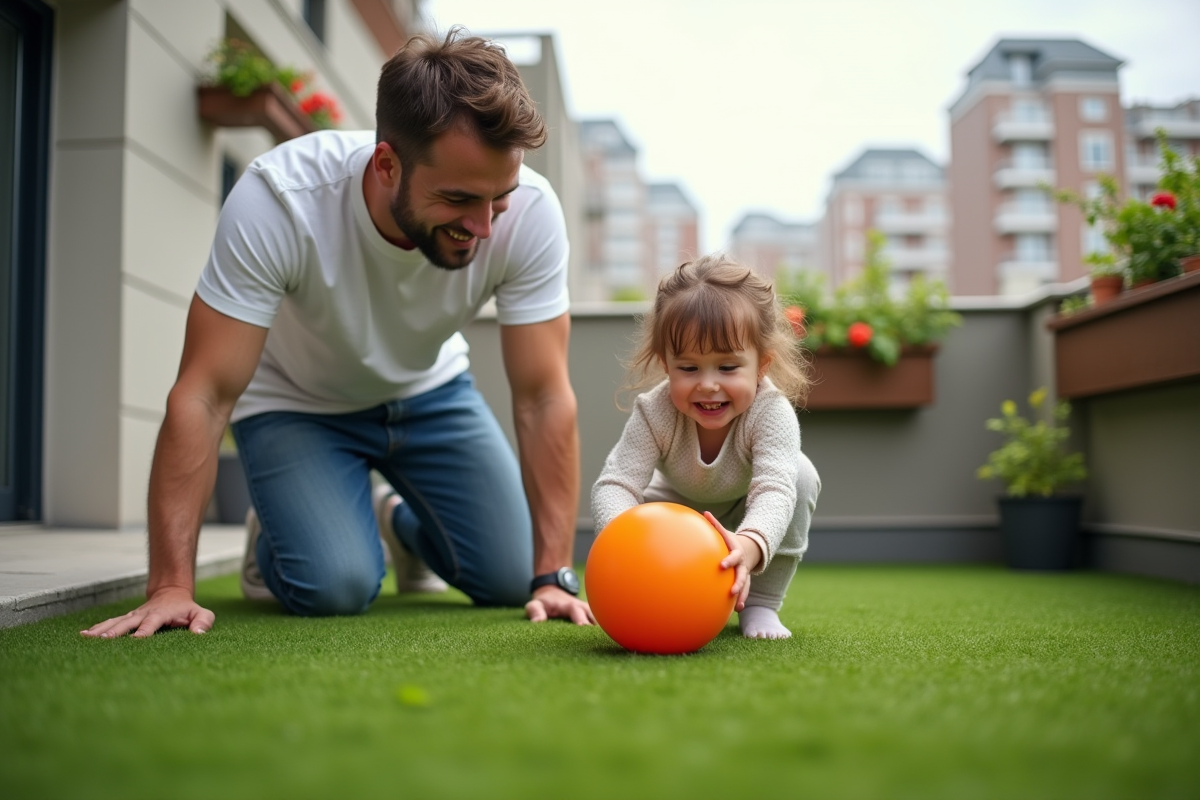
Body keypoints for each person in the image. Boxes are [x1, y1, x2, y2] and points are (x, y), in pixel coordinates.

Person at [82, 29, 593, 639]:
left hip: (432, 392)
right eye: (458, 198)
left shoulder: (532, 211)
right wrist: (171, 586)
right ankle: (279, 530)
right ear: (386, 164)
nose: (484, 228)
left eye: (499, 198)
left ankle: (394, 519)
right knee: (337, 586)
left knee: (517, 578)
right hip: (298, 403)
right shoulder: (280, 200)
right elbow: (204, 393)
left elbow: (542, 397)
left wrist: (554, 574)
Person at [591, 255, 821, 639]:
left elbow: (774, 490)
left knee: (801, 475)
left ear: (762, 365)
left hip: (744, 507)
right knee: (630, 505)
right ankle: (653, 598)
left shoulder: (771, 412)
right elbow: (617, 483)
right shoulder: (655, 410)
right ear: (666, 364)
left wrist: (750, 545)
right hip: (672, 508)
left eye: (728, 368)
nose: (708, 385)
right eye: (689, 368)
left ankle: (761, 605)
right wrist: (623, 542)